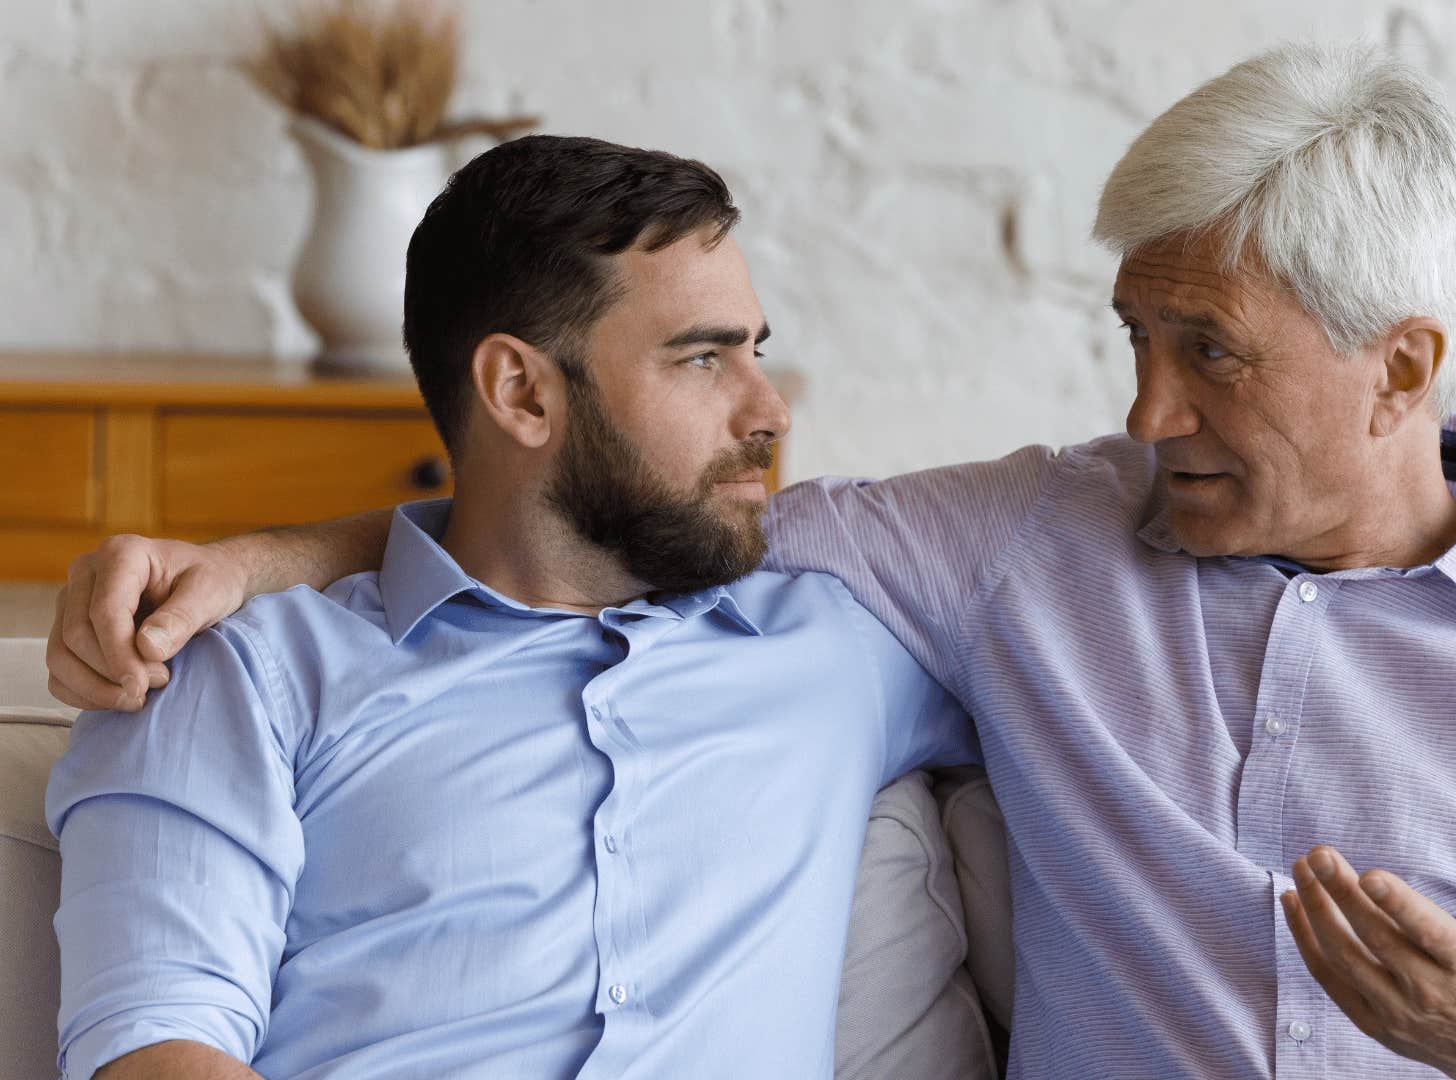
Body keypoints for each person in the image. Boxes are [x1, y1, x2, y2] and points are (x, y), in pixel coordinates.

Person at [48, 44, 1456, 1079]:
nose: (1144, 412)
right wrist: (262, 557)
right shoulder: (1028, 552)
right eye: (1132, 340)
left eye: (1209, 352)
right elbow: (585, 532)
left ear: (1405, 362)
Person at [44, 137, 978, 1079]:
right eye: (702, 360)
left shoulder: (841, 645)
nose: (768, 409)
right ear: (521, 392)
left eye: (755, 353)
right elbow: (156, 1044)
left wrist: (264, 552)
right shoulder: (240, 673)